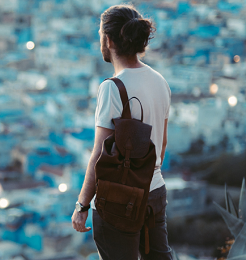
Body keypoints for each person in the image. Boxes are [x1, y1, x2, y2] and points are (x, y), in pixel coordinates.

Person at [72, 4, 173, 260]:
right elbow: (161, 144)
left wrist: (82, 204)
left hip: (120, 200)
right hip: (155, 191)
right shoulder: (160, 81)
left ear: (107, 39)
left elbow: (99, 155)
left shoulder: (112, 88)